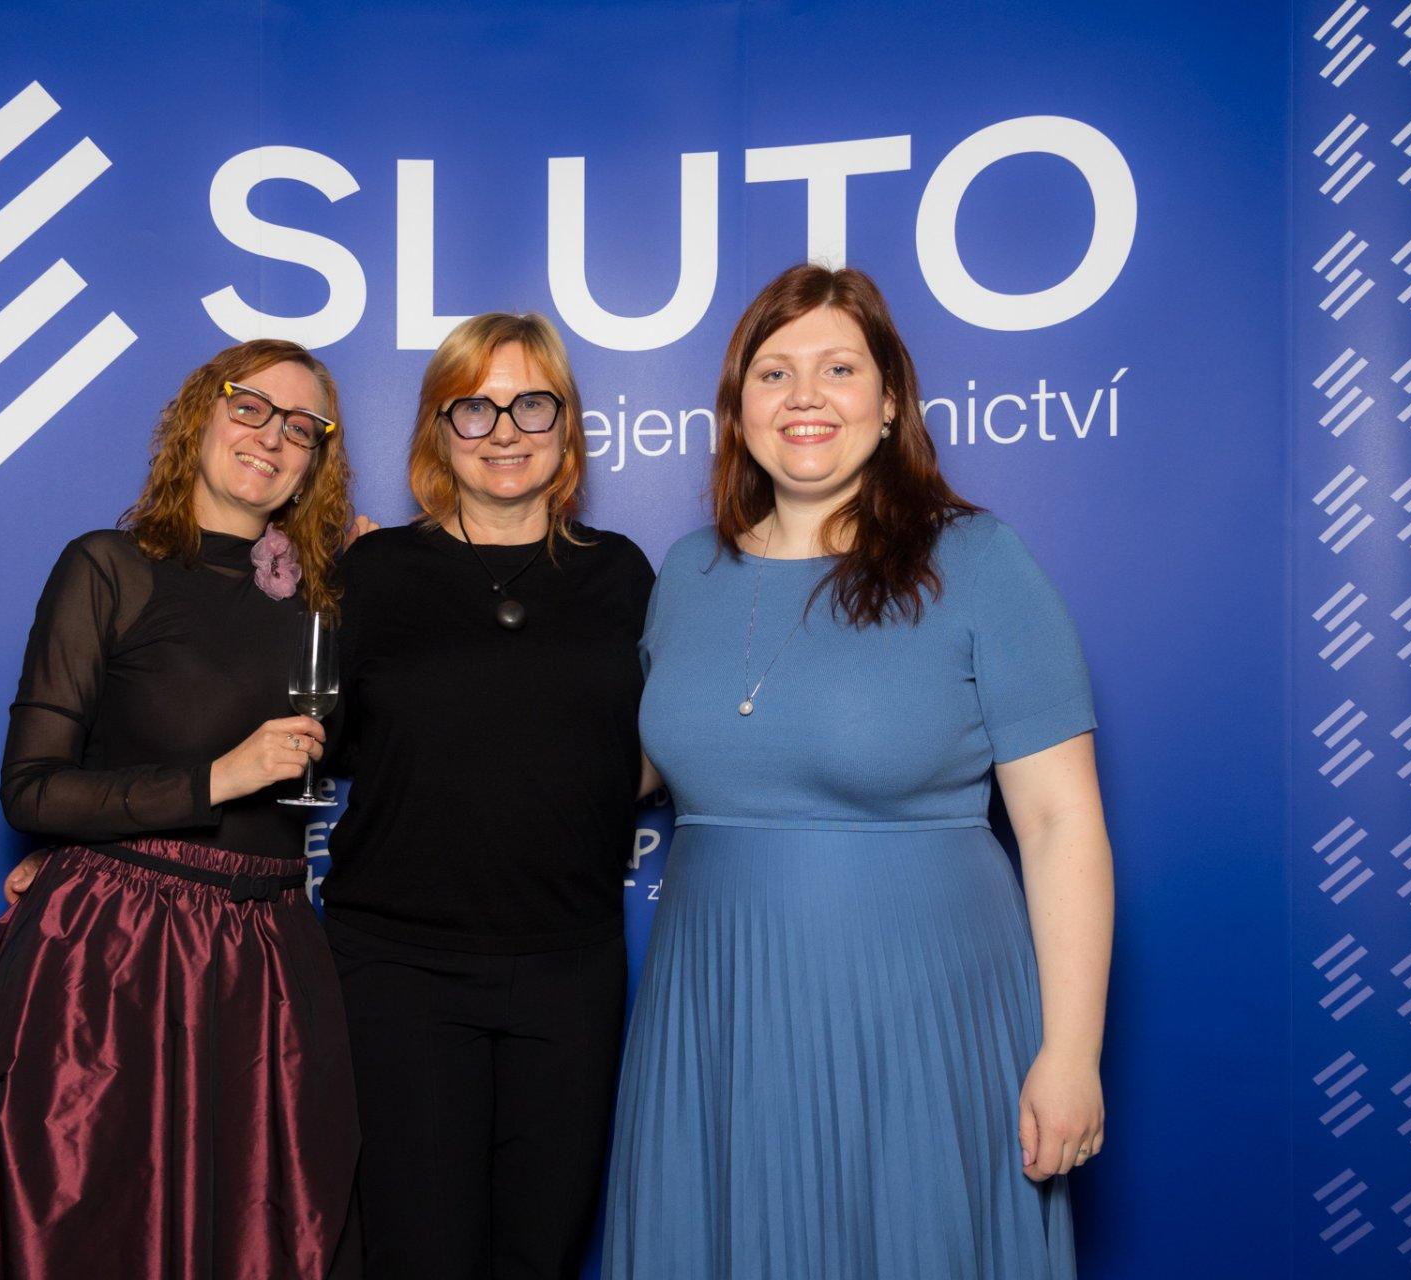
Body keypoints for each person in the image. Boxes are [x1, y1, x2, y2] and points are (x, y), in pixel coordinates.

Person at [602, 265, 1114, 1279]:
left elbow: (1061, 823)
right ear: (737, 408)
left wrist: (1071, 1054)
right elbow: (629, 769)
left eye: (839, 368)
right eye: (774, 372)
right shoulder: (687, 573)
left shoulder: (978, 560)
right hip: (717, 1015)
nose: (805, 395)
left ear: (889, 403)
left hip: (919, 1015)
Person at [0, 339, 362, 1280]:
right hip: (119, 963)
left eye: (302, 426)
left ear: (318, 458)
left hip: (272, 960)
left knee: (267, 1240)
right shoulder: (109, 567)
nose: (273, 436)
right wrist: (214, 780)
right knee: (91, 1235)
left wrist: (379, 570)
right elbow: (32, 788)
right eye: (250, 406)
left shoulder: (324, 599)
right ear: (199, 417)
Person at [324, 313, 655, 1279]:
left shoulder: (623, 573)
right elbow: (298, 739)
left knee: (540, 1254)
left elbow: (666, 742)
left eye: (531, 405)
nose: (504, 431)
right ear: (439, 430)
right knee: (417, 1255)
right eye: (474, 409)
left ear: (566, 425)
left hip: (569, 966)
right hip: (399, 969)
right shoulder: (371, 572)